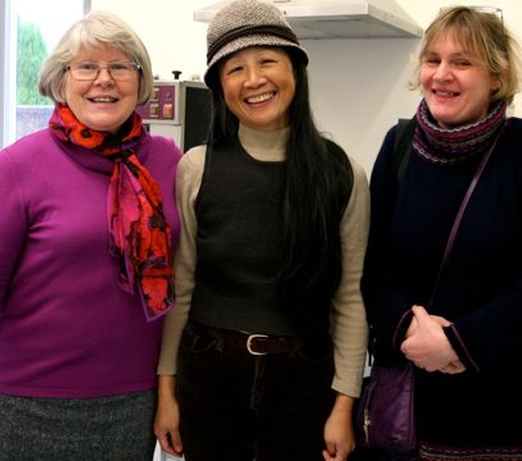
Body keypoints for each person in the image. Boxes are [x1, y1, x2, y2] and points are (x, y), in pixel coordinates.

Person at [0, 11, 181, 461]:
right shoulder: (16, 169)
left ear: (140, 80)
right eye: (86, 66)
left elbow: (184, 283)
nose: (103, 80)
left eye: (120, 67)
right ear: (60, 79)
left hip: (130, 403)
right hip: (23, 405)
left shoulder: (166, 163)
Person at [152, 0, 369, 460]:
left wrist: (343, 406)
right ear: (220, 86)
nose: (254, 80)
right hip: (208, 375)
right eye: (235, 69)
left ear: (296, 70)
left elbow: (348, 298)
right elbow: (182, 289)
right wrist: (167, 393)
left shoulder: (342, 173)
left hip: (303, 383)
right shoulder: (196, 168)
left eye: (267, 60)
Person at [361, 5, 522, 461]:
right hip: (413, 403)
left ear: (496, 77)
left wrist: (460, 343)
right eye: (433, 59)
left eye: (462, 62)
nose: (442, 74)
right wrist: (407, 329)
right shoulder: (397, 148)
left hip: (514, 406)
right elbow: (373, 260)